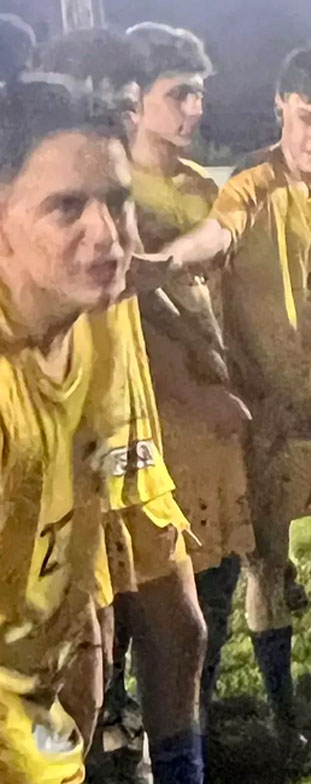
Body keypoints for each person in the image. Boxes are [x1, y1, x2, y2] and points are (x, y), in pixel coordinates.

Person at [150, 47, 311, 749]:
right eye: (307, 118)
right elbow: (219, 230)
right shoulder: (252, 183)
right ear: (281, 106)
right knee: (270, 564)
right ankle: (283, 719)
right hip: (268, 418)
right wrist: (162, 262)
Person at [0, 69, 198, 784]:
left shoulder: (95, 322)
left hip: (36, 706)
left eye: (117, 202)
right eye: (65, 207)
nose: (107, 233)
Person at [121, 24, 256, 761]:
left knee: (217, 587)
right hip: (157, 424)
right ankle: (144, 734)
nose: (193, 108)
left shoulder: (204, 187)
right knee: (154, 602)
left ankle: (190, 724)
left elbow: (221, 244)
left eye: (199, 93)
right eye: (178, 94)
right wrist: (194, 393)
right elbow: (129, 318)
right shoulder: (111, 189)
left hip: (217, 418)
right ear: (134, 101)